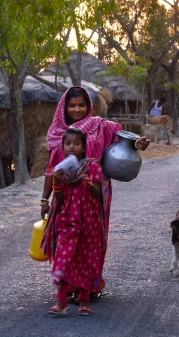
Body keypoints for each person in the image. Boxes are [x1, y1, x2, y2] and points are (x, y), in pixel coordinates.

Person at [41, 86, 148, 297]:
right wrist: (44, 199)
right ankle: (70, 286)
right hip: (67, 196)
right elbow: (51, 169)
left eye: (81, 105)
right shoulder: (57, 133)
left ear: (89, 106)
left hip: (96, 191)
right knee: (68, 238)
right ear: (64, 107)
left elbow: (123, 139)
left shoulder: (100, 126)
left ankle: (90, 286)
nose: (77, 109)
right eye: (72, 105)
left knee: (93, 239)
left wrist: (138, 143)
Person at [42, 127, 105, 316]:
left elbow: (99, 195)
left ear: (83, 147)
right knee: (64, 257)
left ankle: (84, 301)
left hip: (88, 220)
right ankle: (61, 302)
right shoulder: (60, 170)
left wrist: (89, 184)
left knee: (86, 259)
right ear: (62, 147)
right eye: (68, 144)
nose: (72, 147)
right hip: (67, 219)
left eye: (76, 144)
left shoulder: (93, 167)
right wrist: (56, 184)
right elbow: (60, 201)